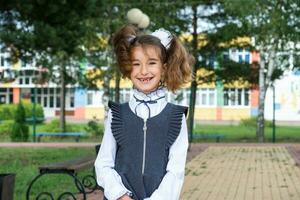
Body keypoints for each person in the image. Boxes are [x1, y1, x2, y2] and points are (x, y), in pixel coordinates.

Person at [95, 25, 192, 200]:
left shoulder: (176, 117)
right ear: (128, 68)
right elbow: (103, 164)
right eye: (136, 64)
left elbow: (176, 171)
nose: (144, 71)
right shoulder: (117, 114)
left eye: (151, 63)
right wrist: (121, 196)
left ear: (164, 67)